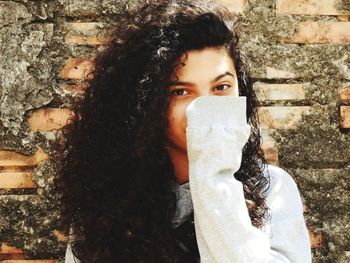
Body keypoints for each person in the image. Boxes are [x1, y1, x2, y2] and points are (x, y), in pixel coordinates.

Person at [55, 0, 312, 262]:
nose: (205, 106)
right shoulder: (105, 200)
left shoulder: (274, 190)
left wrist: (214, 176)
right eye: (180, 92)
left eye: (221, 87)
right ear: (145, 102)